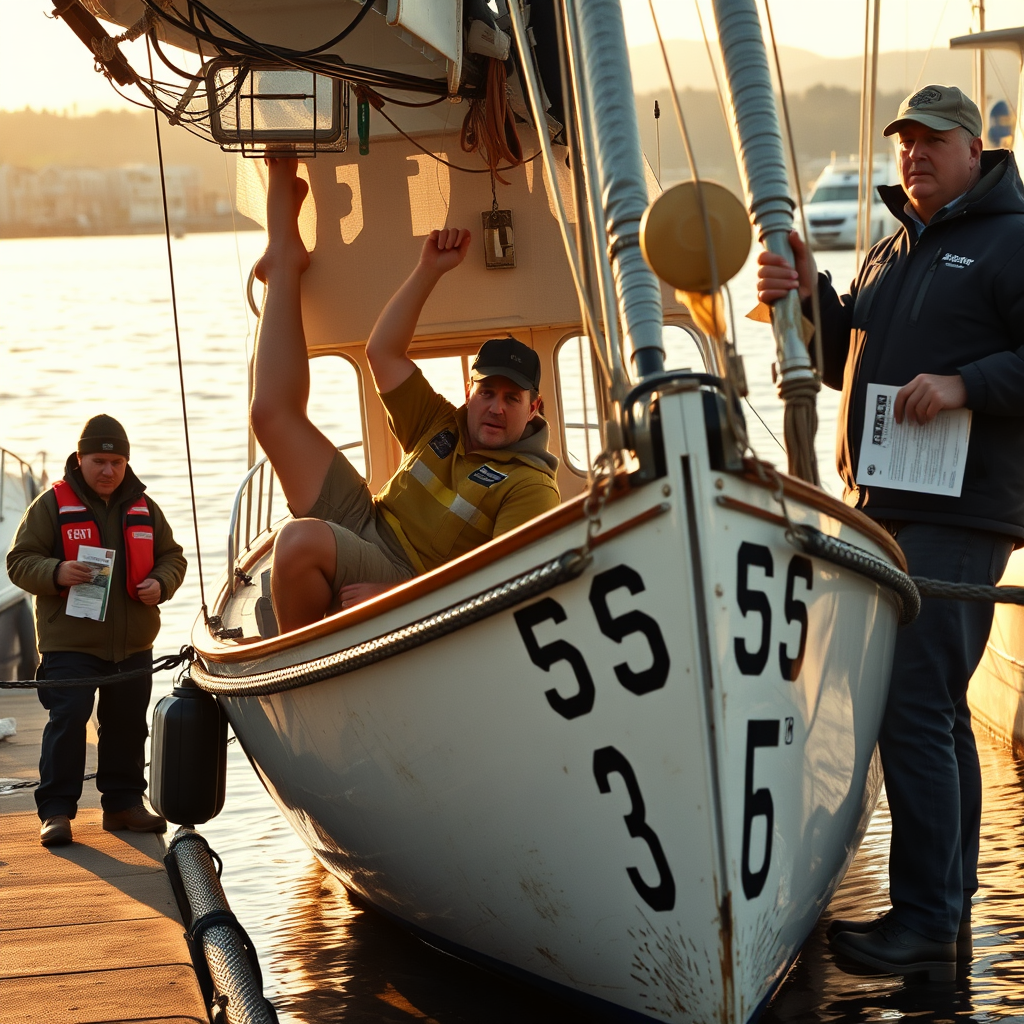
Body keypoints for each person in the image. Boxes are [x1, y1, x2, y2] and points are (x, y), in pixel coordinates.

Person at [757, 84, 1024, 978]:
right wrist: (805, 299)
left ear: (975, 150)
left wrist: (965, 384)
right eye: (905, 140)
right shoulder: (889, 249)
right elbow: (847, 362)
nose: (914, 153)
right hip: (886, 511)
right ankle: (947, 910)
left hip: (960, 515)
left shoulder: (1013, 240)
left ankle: (924, 918)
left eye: (932, 140)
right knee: (938, 712)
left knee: (911, 703)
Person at [249, 158, 560, 634]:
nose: (496, 407)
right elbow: (383, 353)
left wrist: (399, 596)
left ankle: (304, 664)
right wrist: (428, 269)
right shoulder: (442, 420)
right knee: (272, 416)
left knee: (295, 542)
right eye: (487, 392)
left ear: (533, 407)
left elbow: (508, 585)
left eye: (512, 399)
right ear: (470, 390)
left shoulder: (530, 485)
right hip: (368, 517)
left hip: (410, 577)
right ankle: (284, 258)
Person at [7, 415, 187, 847]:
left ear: (126, 463)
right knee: (68, 721)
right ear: (80, 459)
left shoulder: (145, 507)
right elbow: (18, 562)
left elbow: (173, 557)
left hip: (133, 643)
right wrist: (57, 571)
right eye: (99, 461)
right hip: (70, 643)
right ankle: (55, 812)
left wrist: (161, 583)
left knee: (128, 724)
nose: (108, 471)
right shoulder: (50, 505)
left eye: (116, 462)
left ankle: (123, 805)